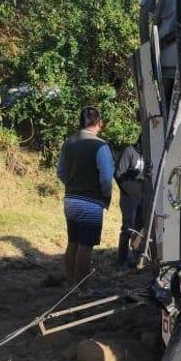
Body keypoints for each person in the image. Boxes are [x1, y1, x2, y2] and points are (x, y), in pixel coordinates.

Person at [56, 107, 115, 286]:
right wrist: (105, 196)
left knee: (72, 241)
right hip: (90, 202)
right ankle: (81, 287)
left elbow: (60, 172)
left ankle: (70, 282)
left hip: (70, 200)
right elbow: (106, 177)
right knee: (85, 246)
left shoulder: (69, 143)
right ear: (99, 123)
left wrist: (72, 185)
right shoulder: (100, 146)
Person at [114, 142, 146, 268]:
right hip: (129, 196)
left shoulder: (149, 154)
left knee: (141, 227)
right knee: (128, 227)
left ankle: (136, 258)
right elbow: (118, 174)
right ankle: (121, 260)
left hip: (144, 196)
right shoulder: (129, 151)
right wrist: (127, 186)